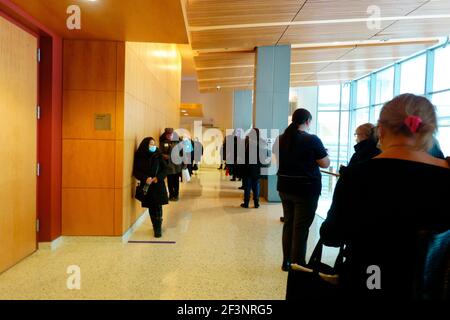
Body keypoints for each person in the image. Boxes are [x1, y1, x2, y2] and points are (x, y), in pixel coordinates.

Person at [320, 94, 450, 299]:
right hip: (430, 288)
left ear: (380, 129)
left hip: (371, 280)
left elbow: (331, 236)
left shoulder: (356, 176)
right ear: (429, 131)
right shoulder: (446, 177)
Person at [274, 108, 330, 271]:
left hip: (284, 187)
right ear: (307, 121)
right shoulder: (312, 140)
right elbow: (325, 163)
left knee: (289, 225)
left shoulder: (281, 139)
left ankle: (286, 262)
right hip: (306, 190)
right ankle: (298, 264)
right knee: (301, 227)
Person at [133, 137, 169, 238]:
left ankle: (158, 227)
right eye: (150, 144)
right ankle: (155, 224)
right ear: (145, 145)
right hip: (147, 186)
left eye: (154, 144)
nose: (153, 146)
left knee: (158, 206)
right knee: (151, 206)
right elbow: (136, 171)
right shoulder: (140, 156)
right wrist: (145, 178)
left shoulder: (158, 155)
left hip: (158, 184)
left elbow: (165, 169)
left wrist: (159, 178)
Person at [240, 128, 269, 209]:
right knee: (256, 185)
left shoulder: (247, 142)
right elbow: (265, 156)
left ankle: (246, 203)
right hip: (258, 168)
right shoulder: (262, 142)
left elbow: (242, 155)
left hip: (248, 167)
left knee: (247, 186)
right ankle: (256, 203)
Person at [159, 128, 182, 201]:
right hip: (168, 165)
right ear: (165, 135)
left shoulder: (178, 142)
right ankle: (171, 195)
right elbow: (160, 152)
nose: (169, 136)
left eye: (170, 134)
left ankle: (176, 194)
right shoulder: (163, 143)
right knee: (170, 181)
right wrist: (164, 155)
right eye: (167, 134)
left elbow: (182, 153)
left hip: (176, 165)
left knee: (176, 181)